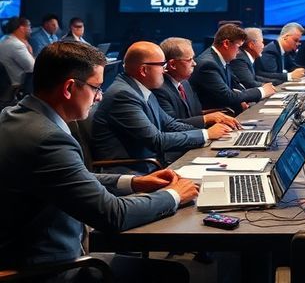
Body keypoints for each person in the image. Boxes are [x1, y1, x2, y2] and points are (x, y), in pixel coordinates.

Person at [0, 41, 198, 278]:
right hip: (48, 270)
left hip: (21, 254)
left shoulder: (14, 116)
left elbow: (69, 177)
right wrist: (174, 195)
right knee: (172, 275)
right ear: (69, 88)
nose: (99, 97)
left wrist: (134, 182)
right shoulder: (48, 139)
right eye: (96, 88)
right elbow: (113, 215)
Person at [91, 41, 232, 173]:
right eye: (162, 65)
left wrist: (208, 133)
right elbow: (156, 141)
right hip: (133, 171)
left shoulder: (141, 89)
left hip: (151, 164)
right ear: (144, 70)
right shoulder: (123, 96)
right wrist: (205, 134)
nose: (165, 71)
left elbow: (170, 124)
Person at [154, 37, 241, 132]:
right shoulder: (159, 89)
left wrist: (221, 115)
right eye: (189, 60)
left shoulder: (185, 83)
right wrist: (206, 119)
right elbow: (172, 126)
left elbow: (195, 114)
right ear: (173, 65)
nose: (194, 63)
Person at [191, 24, 276, 113]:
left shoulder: (221, 59)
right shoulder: (208, 64)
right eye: (238, 46)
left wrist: (242, 99)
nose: (239, 51)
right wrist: (261, 91)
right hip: (215, 117)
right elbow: (227, 96)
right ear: (226, 43)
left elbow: (235, 84)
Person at [0, 16, 34, 87]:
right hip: (17, 86)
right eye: (29, 27)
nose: (31, 30)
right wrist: (30, 51)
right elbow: (33, 68)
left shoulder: (4, 39)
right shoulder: (17, 45)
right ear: (22, 28)